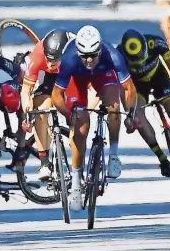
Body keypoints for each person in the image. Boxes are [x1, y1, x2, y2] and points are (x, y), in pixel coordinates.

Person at [51, 25, 137, 212]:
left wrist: (130, 113)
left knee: (114, 107)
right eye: (84, 56)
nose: (89, 60)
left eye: (93, 55)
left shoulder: (112, 55)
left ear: (99, 49)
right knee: (80, 127)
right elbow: (56, 96)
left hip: (102, 76)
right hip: (77, 79)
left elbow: (129, 88)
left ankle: (113, 154)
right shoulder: (70, 59)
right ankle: (75, 182)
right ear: (78, 52)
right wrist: (68, 114)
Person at [117, 29, 170, 177]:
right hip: (137, 86)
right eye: (135, 63)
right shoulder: (118, 55)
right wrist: (130, 116)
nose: (140, 65)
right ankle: (162, 158)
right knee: (139, 119)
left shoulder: (156, 43)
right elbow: (123, 90)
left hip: (160, 79)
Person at [20, 28, 76, 181]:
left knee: (76, 116)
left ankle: (78, 166)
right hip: (49, 78)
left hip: (70, 76)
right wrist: (28, 114)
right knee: (41, 110)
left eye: (54, 60)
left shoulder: (73, 54)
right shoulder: (37, 55)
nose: (51, 64)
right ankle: (45, 163)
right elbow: (26, 91)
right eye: (48, 59)